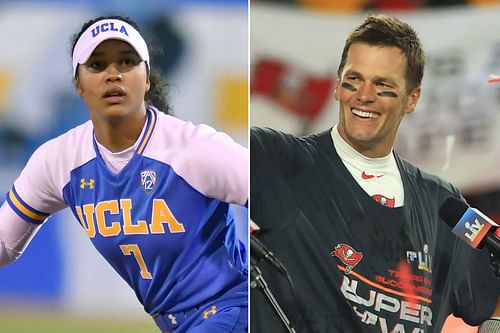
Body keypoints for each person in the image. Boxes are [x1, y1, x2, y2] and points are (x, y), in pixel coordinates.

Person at [250, 13, 500, 333]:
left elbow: (490, 297)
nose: (364, 94)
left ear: (412, 98)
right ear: (338, 86)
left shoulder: (444, 206)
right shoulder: (276, 160)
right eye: (354, 79)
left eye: (382, 84)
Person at [0, 15, 248, 333]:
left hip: (233, 308)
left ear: (146, 78)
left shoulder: (192, 149)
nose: (113, 74)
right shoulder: (59, 160)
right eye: (97, 64)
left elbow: (273, 189)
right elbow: (5, 241)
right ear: (77, 82)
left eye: (127, 62)